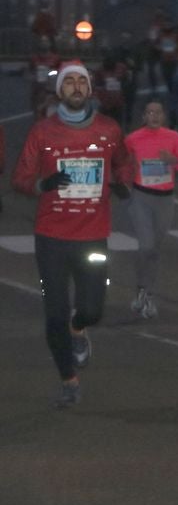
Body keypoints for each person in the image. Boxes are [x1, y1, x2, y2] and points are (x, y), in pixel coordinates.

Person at [11, 60, 132, 408]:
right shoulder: (42, 132)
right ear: (59, 90)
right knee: (54, 314)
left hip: (93, 234)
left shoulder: (108, 130)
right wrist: (43, 184)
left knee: (92, 309)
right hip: (51, 236)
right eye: (69, 82)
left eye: (82, 82)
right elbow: (19, 178)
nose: (76, 87)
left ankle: (80, 330)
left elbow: (124, 161)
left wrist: (122, 182)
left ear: (90, 89)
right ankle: (69, 379)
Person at [123, 98, 178, 318]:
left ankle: (146, 292)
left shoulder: (173, 137)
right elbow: (120, 164)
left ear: (163, 116)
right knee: (145, 246)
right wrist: (128, 170)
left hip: (165, 199)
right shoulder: (133, 139)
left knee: (154, 249)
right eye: (149, 113)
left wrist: (173, 160)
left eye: (158, 113)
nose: (153, 116)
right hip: (141, 197)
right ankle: (144, 293)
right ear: (143, 117)